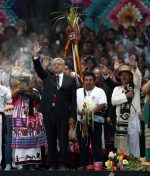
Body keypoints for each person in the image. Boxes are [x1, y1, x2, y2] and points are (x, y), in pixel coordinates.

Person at [32, 41, 77, 170]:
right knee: (50, 140)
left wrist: (73, 116)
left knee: (63, 140)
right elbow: (38, 69)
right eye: (54, 64)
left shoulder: (71, 80)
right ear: (52, 67)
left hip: (63, 113)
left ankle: (62, 163)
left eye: (59, 64)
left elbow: (74, 99)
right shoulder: (47, 77)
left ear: (63, 67)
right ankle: (53, 163)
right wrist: (36, 56)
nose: (56, 66)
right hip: (48, 113)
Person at [10, 77, 47, 170]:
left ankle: (33, 163)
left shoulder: (34, 91)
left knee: (33, 141)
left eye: (25, 83)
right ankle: (23, 164)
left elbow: (38, 100)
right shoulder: (16, 92)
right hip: (20, 121)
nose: (23, 85)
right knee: (21, 143)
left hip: (32, 121)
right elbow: (12, 98)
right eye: (21, 83)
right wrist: (18, 90)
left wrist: (29, 91)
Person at [111, 57, 142, 158]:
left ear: (130, 76)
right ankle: (123, 168)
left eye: (126, 74)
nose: (124, 76)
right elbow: (113, 101)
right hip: (121, 121)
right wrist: (126, 96)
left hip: (133, 119)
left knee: (134, 147)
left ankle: (136, 168)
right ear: (119, 77)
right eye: (122, 75)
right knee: (122, 149)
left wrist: (135, 67)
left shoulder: (135, 87)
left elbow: (138, 78)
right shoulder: (117, 89)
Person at [76, 71, 107, 169]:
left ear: (94, 81)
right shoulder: (78, 91)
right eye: (86, 80)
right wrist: (79, 111)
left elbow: (103, 104)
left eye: (90, 80)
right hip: (82, 122)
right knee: (82, 145)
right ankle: (83, 165)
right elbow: (73, 104)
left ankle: (98, 165)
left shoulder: (99, 91)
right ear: (83, 81)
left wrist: (91, 111)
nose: (88, 82)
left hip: (95, 122)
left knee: (96, 145)